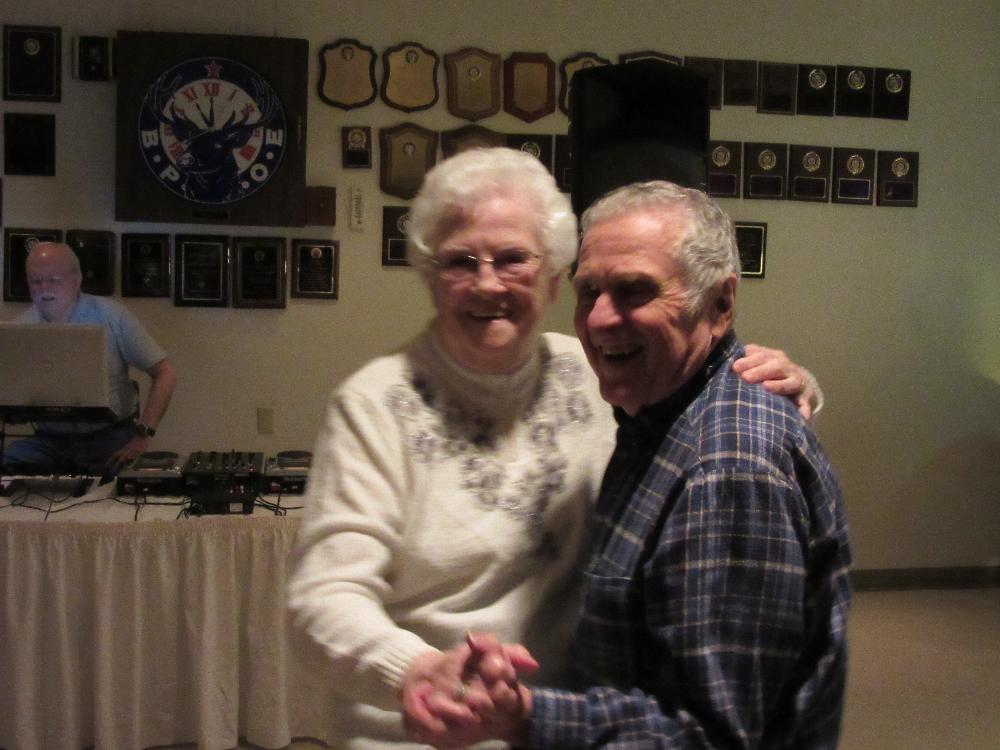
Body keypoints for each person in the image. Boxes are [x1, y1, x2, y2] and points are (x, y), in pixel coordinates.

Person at [286, 148, 820, 749]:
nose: (488, 282)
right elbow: (321, 598)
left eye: (513, 258)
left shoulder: (594, 368)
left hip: (574, 726)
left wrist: (787, 386)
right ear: (430, 276)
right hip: (428, 728)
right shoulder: (374, 404)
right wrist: (417, 671)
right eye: (461, 260)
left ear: (552, 275)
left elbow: (700, 405)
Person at [3, 242, 176, 476]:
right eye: (36, 281)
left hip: (109, 437)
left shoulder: (111, 315)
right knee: (9, 468)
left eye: (54, 280)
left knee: (117, 488)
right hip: (49, 440)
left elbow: (165, 372)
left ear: (77, 280)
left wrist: (143, 435)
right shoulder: (20, 329)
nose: (44, 288)